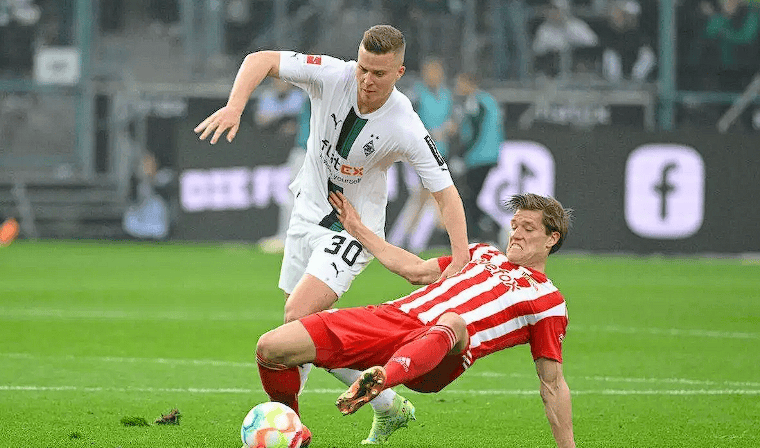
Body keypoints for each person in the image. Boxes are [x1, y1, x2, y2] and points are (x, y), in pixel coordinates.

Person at [194, 24, 470, 445]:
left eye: (379, 73)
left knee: (296, 317)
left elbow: (446, 194)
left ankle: (290, 429)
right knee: (298, 332)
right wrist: (235, 107)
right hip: (306, 209)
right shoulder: (332, 74)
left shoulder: (406, 125)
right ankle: (386, 405)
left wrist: (461, 257)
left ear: (399, 73)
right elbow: (260, 60)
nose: (366, 80)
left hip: (353, 228)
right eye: (363, 68)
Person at [256, 191, 575, 448]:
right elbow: (415, 270)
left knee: (453, 321)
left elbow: (553, 383)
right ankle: (293, 433)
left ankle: (382, 380)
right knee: (272, 348)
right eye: (515, 225)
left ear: (551, 239)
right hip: (393, 318)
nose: (516, 234)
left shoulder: (548, 300)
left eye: (528, 229)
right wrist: (358, 229)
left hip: (444, 353)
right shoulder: (481, 253)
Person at [388, 57, 455, 252]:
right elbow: (406, 120)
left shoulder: (446, 95)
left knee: (426, 196)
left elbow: (454, 119)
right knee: (434, 193)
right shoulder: (415, 94)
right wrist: (430, 132)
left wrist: (451, 127)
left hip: (441, 152)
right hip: (419, 152)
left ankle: (407, 237)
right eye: (430, 71)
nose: (433, 76)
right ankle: (443, 233)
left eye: (436, 71)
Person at [452, 71, 504, 243]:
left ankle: (488, 230)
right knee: (472, 197)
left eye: (460, 83)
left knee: (470, 197)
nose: (457, 86)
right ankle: (485, 231)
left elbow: (475, 131)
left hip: (478, 157)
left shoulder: (476, 101)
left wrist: (462, 154)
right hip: (489, 155)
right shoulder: (489, 100)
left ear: (469, 83)